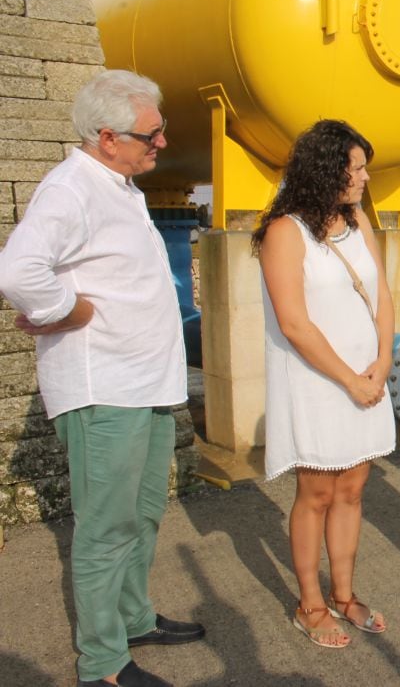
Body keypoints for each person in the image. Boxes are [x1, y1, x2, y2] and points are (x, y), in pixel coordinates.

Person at [0, 70, 203, 687]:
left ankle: (132, 617)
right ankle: (103, 664)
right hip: (104, 390)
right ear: (107, 137)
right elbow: (18, 270)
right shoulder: (71, 188)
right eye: (153, 133)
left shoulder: (120, 185)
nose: (162, 142)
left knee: (141, 516)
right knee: (105, 528)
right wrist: (69, 309)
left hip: (145, 386)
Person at [252, 119, 395, 649]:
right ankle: (309, 602)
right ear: (324, 170)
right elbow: (294, 323)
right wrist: (351, 381)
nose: (363, 177)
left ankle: (345, 593)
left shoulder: (358, 221)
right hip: (317, 381)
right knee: (316, 492)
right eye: (354, 167)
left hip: (365, 377)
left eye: (363, 167)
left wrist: (382, 360)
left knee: (352, 491)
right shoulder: (284, 232)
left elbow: (380, 292)